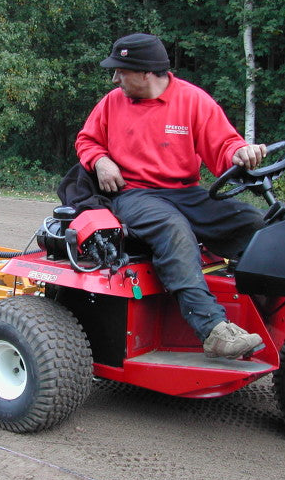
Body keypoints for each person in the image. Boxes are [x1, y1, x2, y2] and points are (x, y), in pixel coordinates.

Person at [75, 33, 266, 359]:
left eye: (120, 71)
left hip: (186, 192)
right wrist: (101, 160)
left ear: (145, 72)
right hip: (134, 195)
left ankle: (268, 309)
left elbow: (224, 147)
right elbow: (87, 140)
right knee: (173, 229)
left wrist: (242, 153)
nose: (114, 78)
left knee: (254, 223)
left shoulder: (194, 101)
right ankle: (213, 331)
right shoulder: (112, 103)